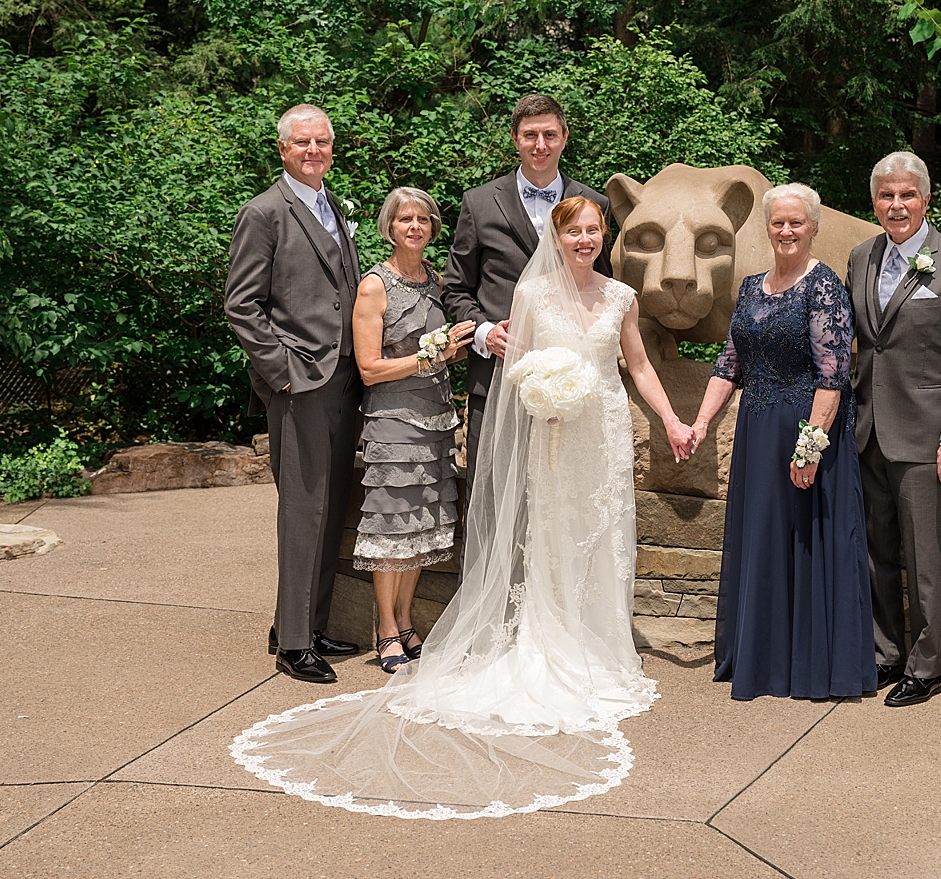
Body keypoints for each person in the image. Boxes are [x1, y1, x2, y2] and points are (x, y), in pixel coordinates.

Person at [232, 196, 697, 819]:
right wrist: (541, 399)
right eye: (574, 231)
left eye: (593, 231)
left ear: (604, 236)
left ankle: (598, 649)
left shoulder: (621, 297)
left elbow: (637, 363)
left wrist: (671, 419)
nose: (584, 239)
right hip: (556, 435)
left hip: (605, 434)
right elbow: (518, 366)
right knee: (553, 538)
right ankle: (547, 647)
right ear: (557, 238)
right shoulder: (530, 298)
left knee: (603, 538)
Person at [690, 184, 877, 700]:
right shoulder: (751, 287)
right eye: (778, 223)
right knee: (763, 538)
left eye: (797, 223)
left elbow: (833, 374)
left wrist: (810, 448)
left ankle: (805, 664)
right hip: (756, 429)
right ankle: (762, 657)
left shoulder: (824, 287)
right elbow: (729, 364)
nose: (787, 231)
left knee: (804, 540)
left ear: (814, 227)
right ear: (767, 228)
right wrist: (701, 423)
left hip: (804, 428)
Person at [846, 151, 941, 708]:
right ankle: (886, 653)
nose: (896, 205)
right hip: (868, 431)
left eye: (907, 195)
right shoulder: (860, 258)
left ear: (926, 200)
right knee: (876, 552)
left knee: (926, 555)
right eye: (886, 195)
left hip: (930, 437)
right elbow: (862, 345)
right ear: (875, 202)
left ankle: (927, 664)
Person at [225, 103, 364, 685]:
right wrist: (281, 371)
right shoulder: (264, 213)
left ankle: (302, 624)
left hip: (346, 380)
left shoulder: (333, 205)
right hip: (300, 382)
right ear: (283, 149)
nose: (313, 151)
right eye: (302, 143)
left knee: (331, 509)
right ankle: (295, 646)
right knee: (303, 511)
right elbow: (241, 304)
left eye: (322, 142)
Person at [442, 94, 612, 490]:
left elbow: (603, 290)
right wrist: (483, 333)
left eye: (550, 135)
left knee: (562, 496)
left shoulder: (593, 204)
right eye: (530, 135)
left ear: (565, 138)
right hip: (497, 375)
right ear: (515, 138)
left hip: (572, 383)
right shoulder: (479, 203)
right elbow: (456, 288)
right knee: (492, 495)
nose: (541, 145)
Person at [351, 188, 476, 673]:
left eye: (423, 219)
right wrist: (431, 356)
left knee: (422, 525)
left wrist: (468, 342)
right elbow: (369, 368)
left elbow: (449, 353)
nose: (415, 226)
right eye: (405, 219)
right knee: (391, 524)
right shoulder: (374, 286)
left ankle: (405, 620)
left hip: (437, 421)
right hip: (393, 423)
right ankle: (384, 628)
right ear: (390, 226)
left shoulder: (437, 283)